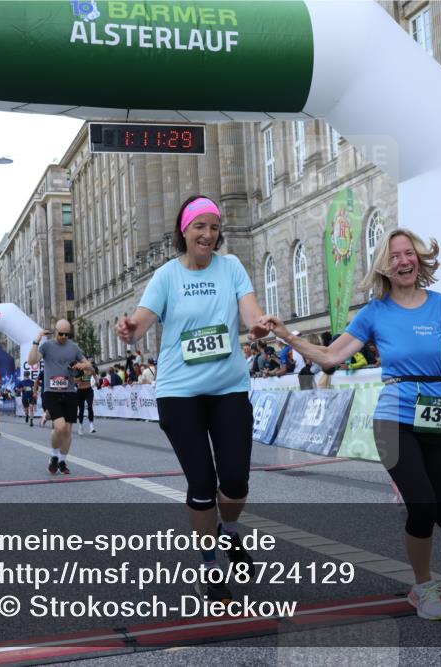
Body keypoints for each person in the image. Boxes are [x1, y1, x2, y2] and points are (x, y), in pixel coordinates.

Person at [261, 229, 441, 621]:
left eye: (409, 254)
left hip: (437, 418)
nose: (403, 261)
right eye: (395, 256)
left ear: (418, 259)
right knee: (422, 507)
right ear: (385, 267)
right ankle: (422, 586)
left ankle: (424, 519)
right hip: (394, 420)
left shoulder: (439, 305)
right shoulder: (375, 312)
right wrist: (286, 335)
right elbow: (331, 356)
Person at [116, 194, 270, 604]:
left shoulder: (232, 266)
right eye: (199, 226)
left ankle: (230, 533)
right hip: (179, 393)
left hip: (229, 388)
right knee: (202, 482)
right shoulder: (166, 275)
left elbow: (251, 312)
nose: (207, 234)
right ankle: (210, 566)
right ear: (183, 231)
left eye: (214, 227)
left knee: (235, 480)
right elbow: (142, 319)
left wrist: (258, 327)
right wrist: (131, 329)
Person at [27, 319, 93, 474]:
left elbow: (89, 365)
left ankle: (62, 461)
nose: (63, 336)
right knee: (60, 426)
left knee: (68, 430)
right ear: (55, 331)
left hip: (70, 392)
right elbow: (31, 361)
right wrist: (37, 340)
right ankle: (54, 456)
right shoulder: (47, 346)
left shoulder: (74, 347)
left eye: (66, 334)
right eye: (60, 333)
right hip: (51, 392)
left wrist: (82, 365)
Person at [75, 359, 96, 435]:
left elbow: (95, 375)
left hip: (89, 390)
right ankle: (80, 426)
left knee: (90, 406)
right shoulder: (78, 370)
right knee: (81, 409)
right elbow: (74, 381)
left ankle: (91, 426)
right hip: (80, 391)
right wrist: (80, 377)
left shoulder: (91, 370)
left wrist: (97, 381)